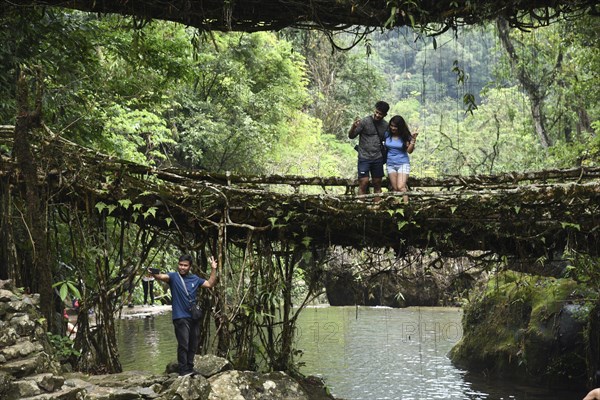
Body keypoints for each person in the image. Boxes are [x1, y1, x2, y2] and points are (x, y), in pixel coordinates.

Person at [150, 254, 218, 376]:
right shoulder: (173, 277)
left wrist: (213, 268)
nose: (182, 267)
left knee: (193, 343)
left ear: (190, 267)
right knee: (183, 343)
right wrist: (153, 272)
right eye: (180, 265)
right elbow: (161, 276)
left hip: (193, 317)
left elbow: (210, 284)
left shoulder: (195, 279)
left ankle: (190, 368)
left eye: (185, 265)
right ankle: (183, 370)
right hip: (180, 317)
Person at [348, 101, 390, 200]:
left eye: (380, 114)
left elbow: (389, 140)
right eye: (377, 112)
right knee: (363, 182)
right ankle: (361, 207)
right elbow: (351, 136)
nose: (377, 115)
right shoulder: (365, 121)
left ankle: (377, 207)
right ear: (374, 110)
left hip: (378, 158)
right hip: (364, 157)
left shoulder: (385, 126)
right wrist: (353, 126)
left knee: (377, 183)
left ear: (385, 115)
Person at [383, 115, 419, 203]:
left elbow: (409, 151)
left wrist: (413, 141)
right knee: (395, 188)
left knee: (401, 187)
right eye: (391, 125)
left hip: (402, 163)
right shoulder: (387, 134)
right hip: (390, 164)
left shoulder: (405, 136)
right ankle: (397, 208)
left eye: (395, 126)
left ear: (400, 127)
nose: (393, 128)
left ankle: (406, 207)